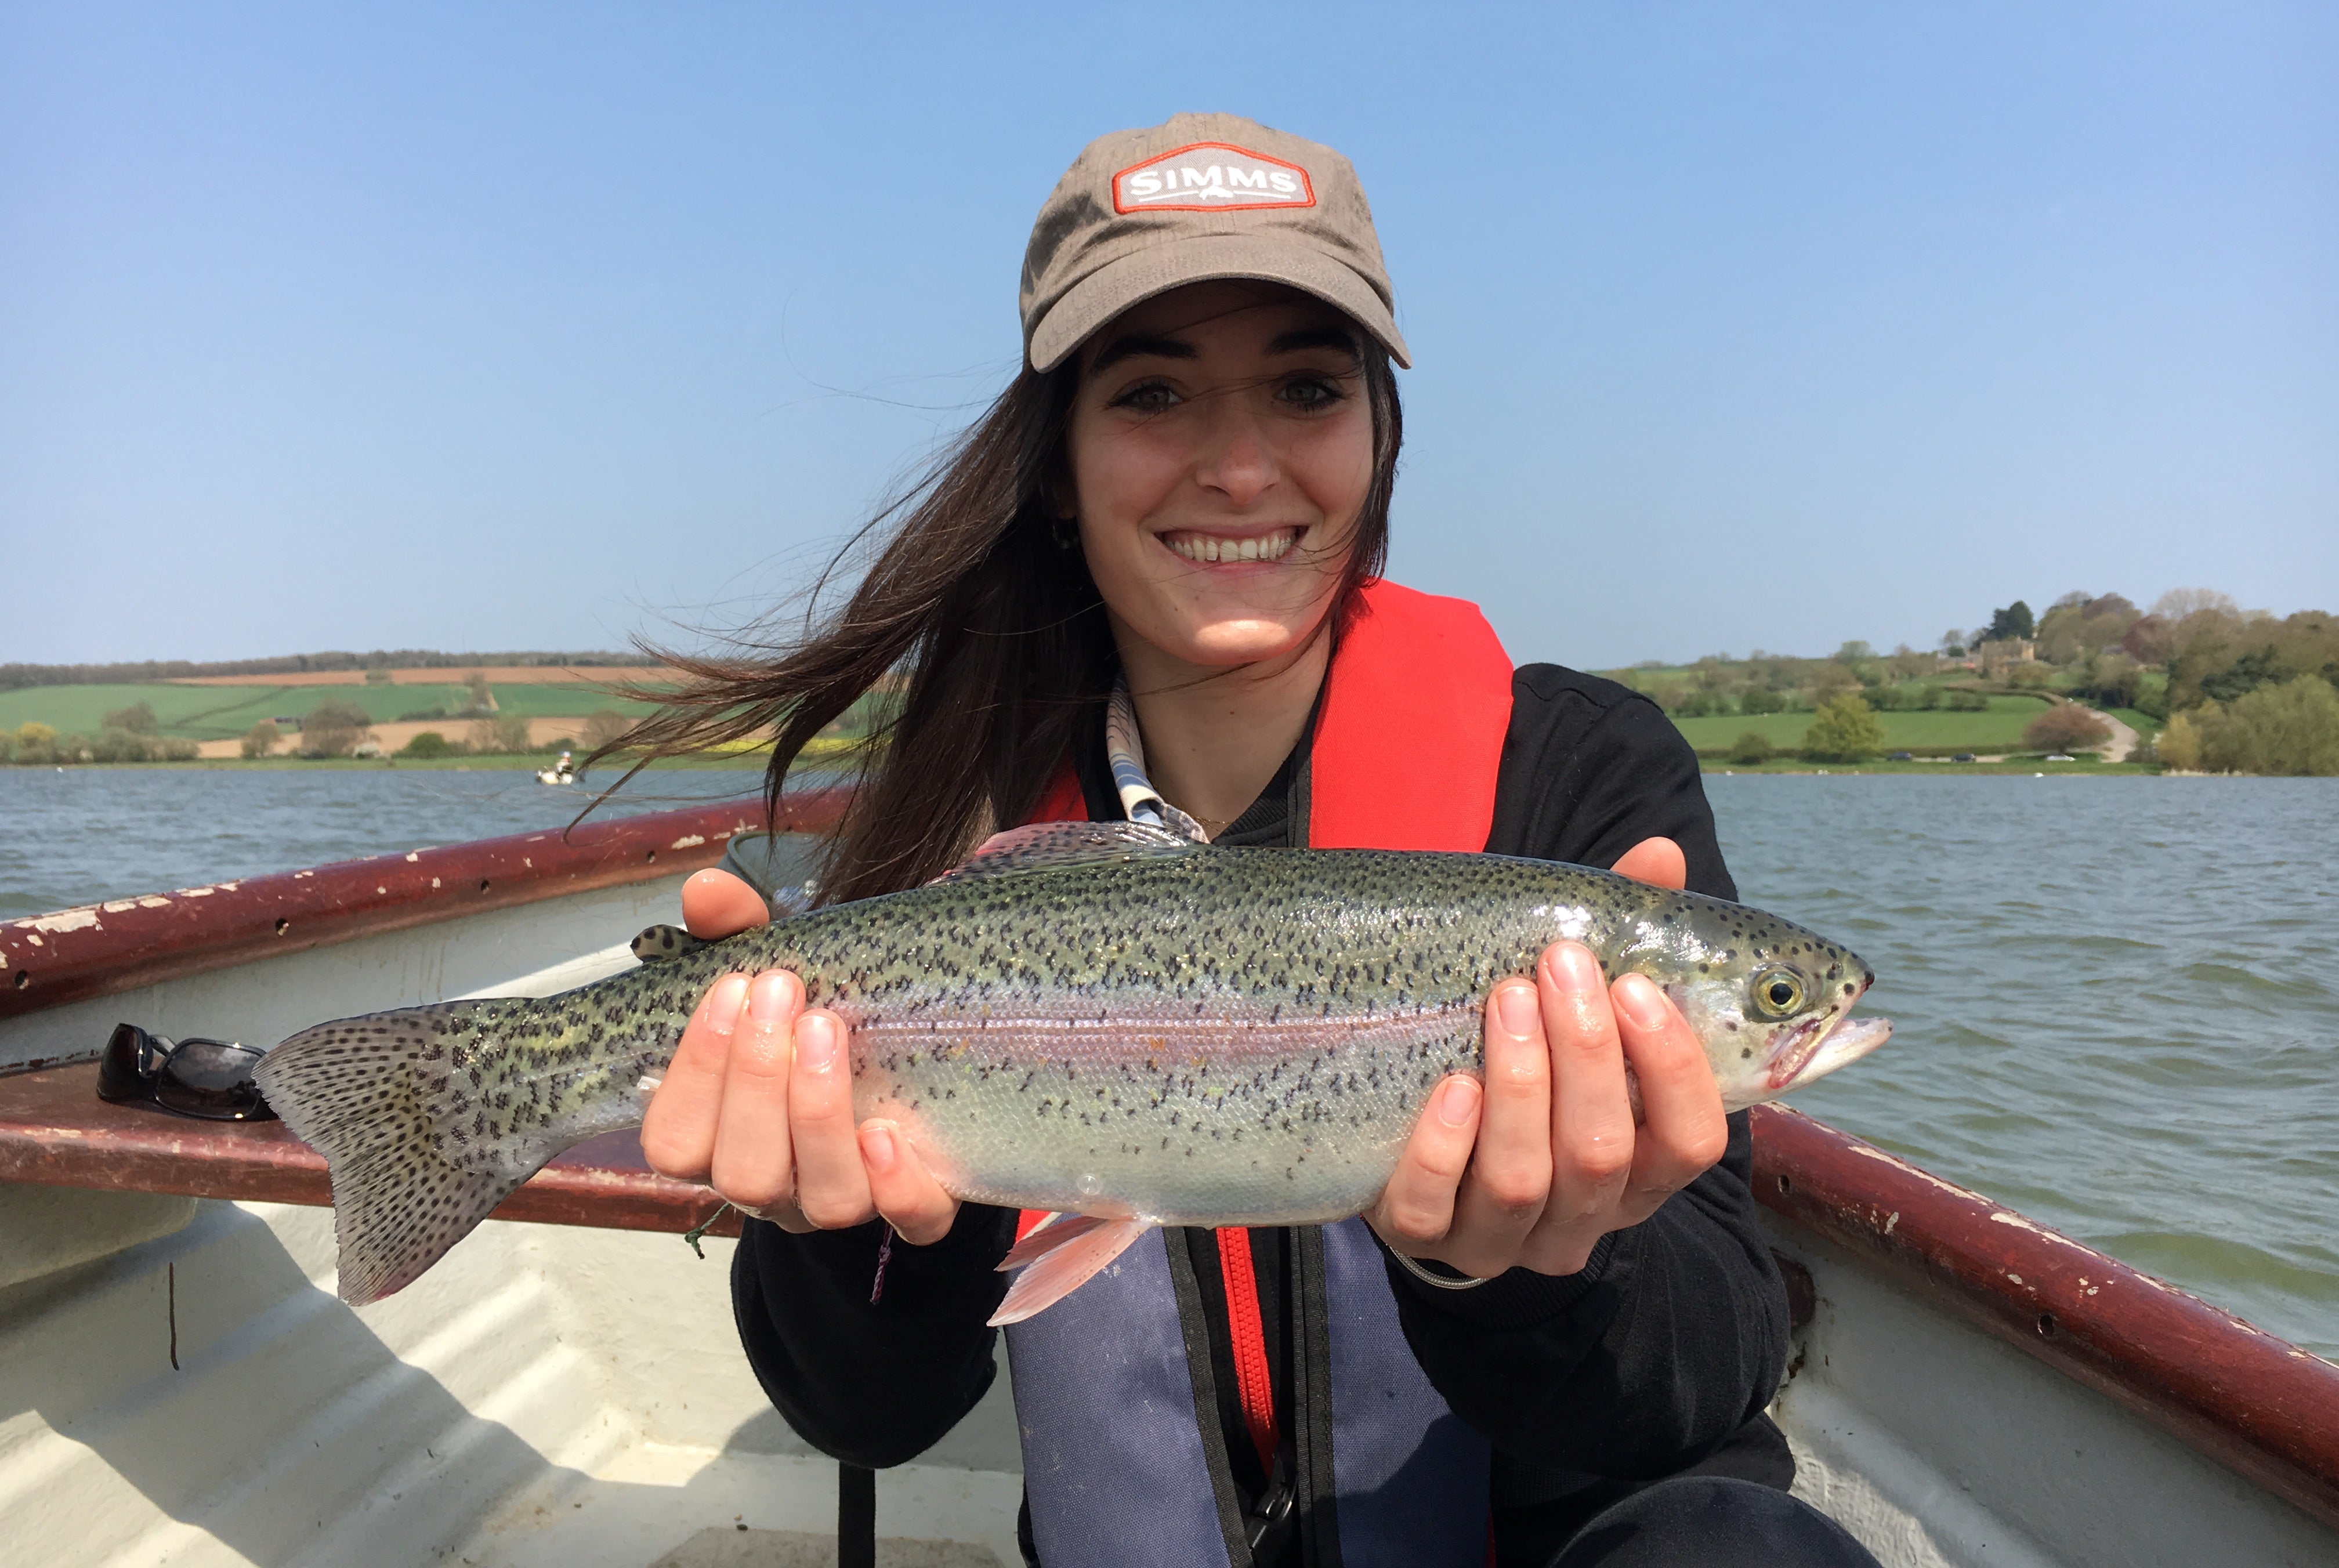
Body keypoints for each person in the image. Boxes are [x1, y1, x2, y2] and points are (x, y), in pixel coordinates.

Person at [623, 114, 1878, 1568]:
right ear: (1055, 463)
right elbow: (868, 1414)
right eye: (1155, 393)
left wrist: (1524, 1272)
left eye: (1303, 388)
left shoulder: (1583, 777)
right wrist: (838, 1227)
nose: (1238, 468)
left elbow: (1694, 1383)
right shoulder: (941, 828)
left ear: (1378, 437)